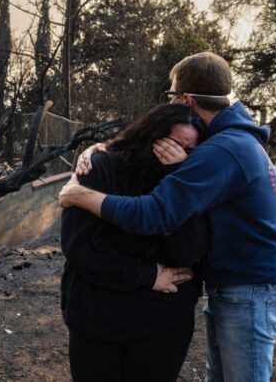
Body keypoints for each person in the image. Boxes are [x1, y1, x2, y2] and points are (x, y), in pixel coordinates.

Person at [59, 52, 276, 382]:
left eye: (172, 95)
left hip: (249, 290)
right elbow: (149, 134)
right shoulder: (225, 139)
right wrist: (101, 149)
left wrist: (81, 195)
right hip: (241, 286)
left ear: (186, 99)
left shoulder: (221, 150)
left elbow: (156, 213)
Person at [61, 104, 208, 382]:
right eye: (174, 144)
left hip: (161, 323)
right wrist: (147, 274)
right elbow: (81, 247)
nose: (179, 154)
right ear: (151, 135)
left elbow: (186, 252)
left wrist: (177, 175)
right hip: (98, 318)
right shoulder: (100, 167)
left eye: (189, 151)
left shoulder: (187, 181)